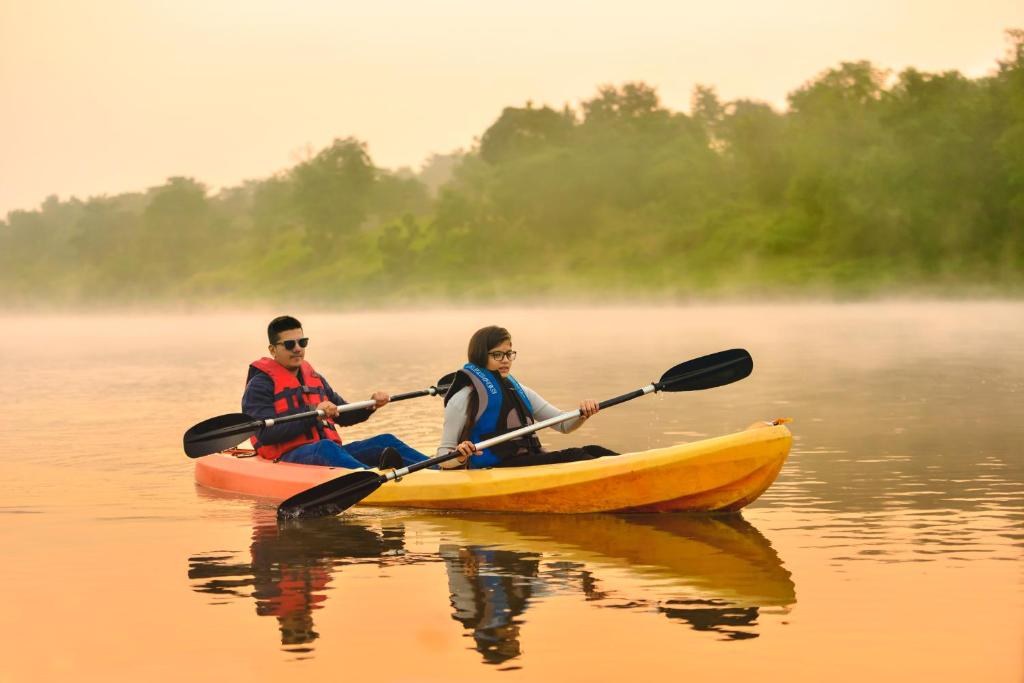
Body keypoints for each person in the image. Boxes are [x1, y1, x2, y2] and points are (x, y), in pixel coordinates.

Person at [242, 315, 429, 469]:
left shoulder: (315, 378)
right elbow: (265, 435)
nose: (298, 348)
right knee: (326, 447)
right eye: (290, 344)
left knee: (385, 441)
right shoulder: (259, 385)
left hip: (327, 452)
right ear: (273, 349)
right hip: (286, 459)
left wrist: (371, 405)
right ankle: (371, 479)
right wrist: (314, 412)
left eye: (303, 342)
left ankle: (440, 471)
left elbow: (344, 415)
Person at [438, 325, 617, 469]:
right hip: (494, 470)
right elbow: (443, 458)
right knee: (577, 456)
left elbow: (564, 425)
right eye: (497, 354)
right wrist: (460, 456)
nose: (506, 360)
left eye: (509, 354)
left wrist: (583, 413)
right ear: (480, 356)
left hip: (527, 462)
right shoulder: (462, 399)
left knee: (593, 450)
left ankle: (636, 470)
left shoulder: (518, 390)